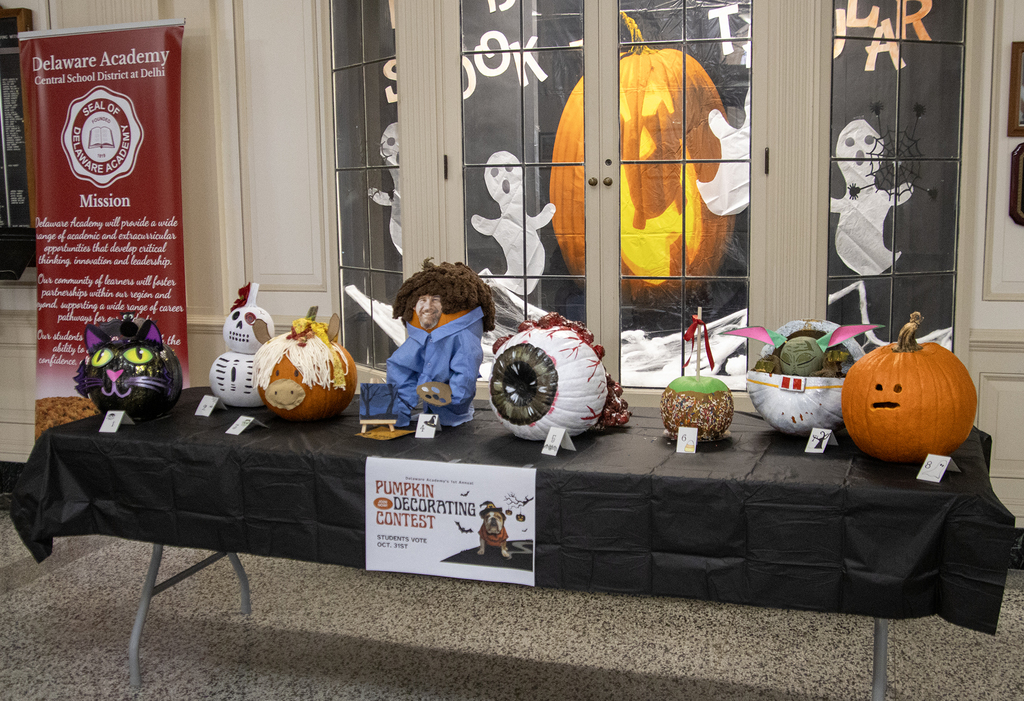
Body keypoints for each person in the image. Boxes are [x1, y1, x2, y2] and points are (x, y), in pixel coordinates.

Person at [386, 259, 495, 427]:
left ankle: (446, 414)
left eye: (436, 299)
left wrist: (453, 399)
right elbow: (401, 368)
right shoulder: (419, 338)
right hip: (427, 412)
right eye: (422, 300)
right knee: (401, 366)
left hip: (453, 415)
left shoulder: (461, 337)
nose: (428, 306)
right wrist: (398, 409)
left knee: (458, 384)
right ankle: (403, 414)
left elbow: (465, 372)